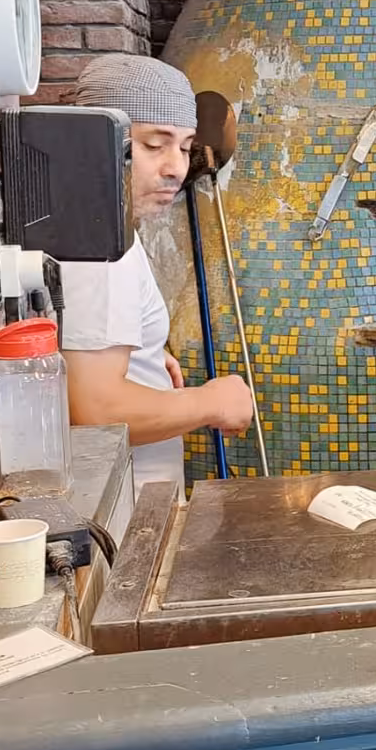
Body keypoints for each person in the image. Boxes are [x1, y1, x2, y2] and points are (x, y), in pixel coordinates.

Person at [56, 54, 254, 491]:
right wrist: (209, 402)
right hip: (118, 510)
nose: (177, 168)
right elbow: (97, 409)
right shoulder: (96, 248)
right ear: (97, 140)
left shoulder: (101, 220)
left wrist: (141, 351)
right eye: (153, 144)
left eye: (183, 147)